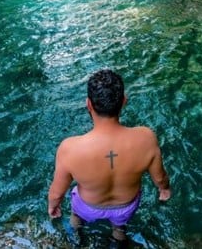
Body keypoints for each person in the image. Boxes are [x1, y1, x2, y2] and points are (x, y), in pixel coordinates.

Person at [47, 69, 171, 242]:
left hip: (87, 206)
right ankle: (118, 238)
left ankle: (77, 236)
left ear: (88, 104)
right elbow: (160, 178)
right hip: (125, 206)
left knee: (76, 218)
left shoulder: (70, 148)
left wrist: (53, 207)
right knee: (120, 228)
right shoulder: (146, 138)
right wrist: (164, 190)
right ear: (124, 102)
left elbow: (56, 193)